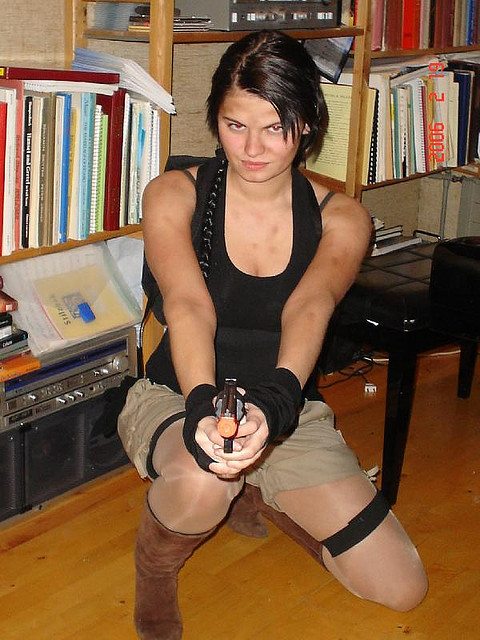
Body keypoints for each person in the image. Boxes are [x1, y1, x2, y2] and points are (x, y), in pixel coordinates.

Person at [121, 29, 428, 640]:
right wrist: (203, 404)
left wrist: (280, 402)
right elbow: (188, 306)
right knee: (204, 480)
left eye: (275, 127)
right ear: (215, 120)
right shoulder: (172, 194)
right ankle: (156, 569)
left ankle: (261, 488)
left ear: (307, 124)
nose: (253, 148)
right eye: (235, 126)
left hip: (287, 405)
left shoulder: (344, 217)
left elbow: (310, 308)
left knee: (401, 589)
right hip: (177, 394)